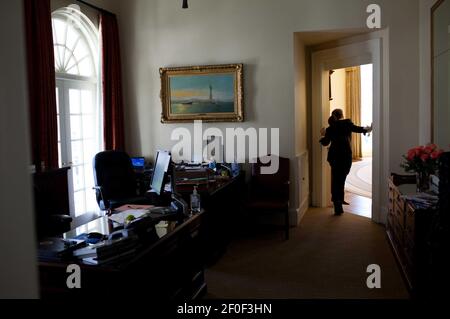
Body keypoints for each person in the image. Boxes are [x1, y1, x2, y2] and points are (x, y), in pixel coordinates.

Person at [320, 108, 372, 215]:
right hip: (345, 156)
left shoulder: (330, 128)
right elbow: (358, 129)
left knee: (336, 179)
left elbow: (325, 143)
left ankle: (338, 202)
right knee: (342, 178)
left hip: (334, 157)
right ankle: (338, 202)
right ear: (342, 115)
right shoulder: (347, 123)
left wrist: (322, 134)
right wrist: (368, 129)